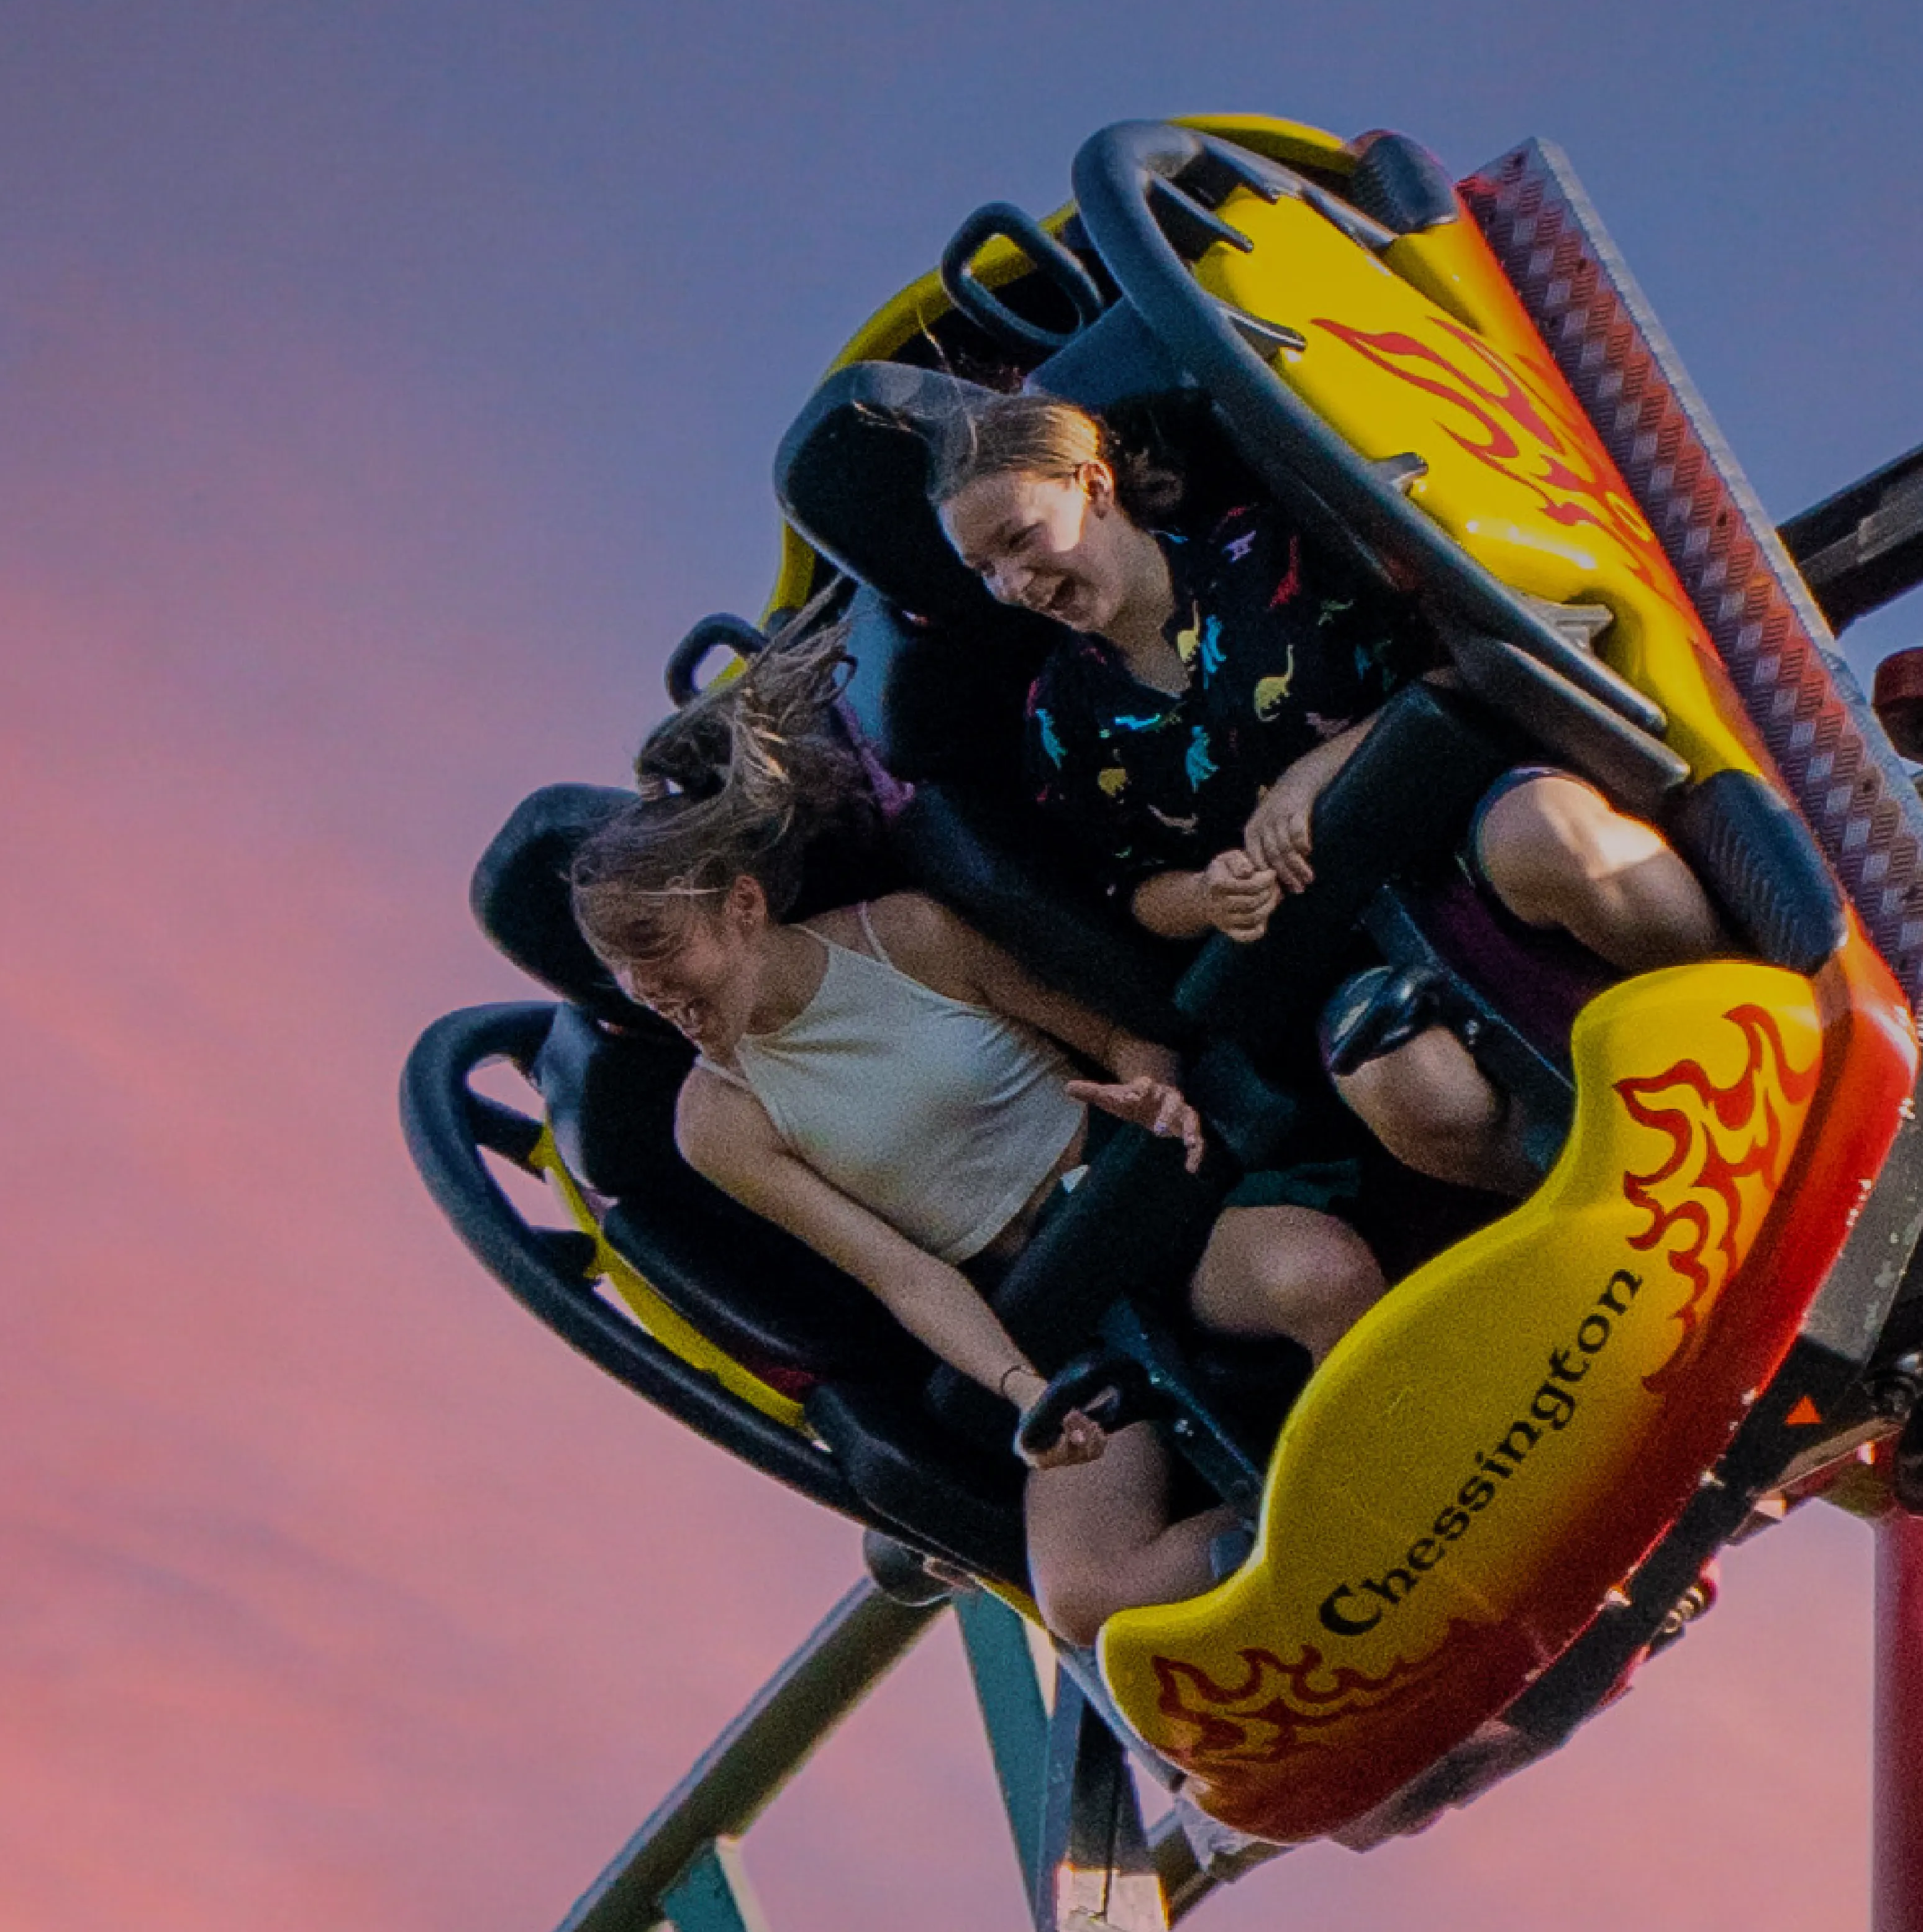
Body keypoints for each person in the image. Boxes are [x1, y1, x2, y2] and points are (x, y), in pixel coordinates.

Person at [565, 655, 1381, 1646]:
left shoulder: (905, 937)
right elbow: (901, 1274)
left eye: (666, 960)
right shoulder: (719, 1121)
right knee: (1085, 1598)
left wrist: (1148, 1087)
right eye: (630, 980)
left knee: (1320, 1276)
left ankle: (1386, 1497)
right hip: (1046, 1312)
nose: (657, 996)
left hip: (1144, 1211)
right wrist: (1024, 1393)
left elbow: (1125, 1031)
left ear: (742, 907)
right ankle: (1334, 1546)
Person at [930, 394, 1731, 1195]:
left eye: (1020, 539)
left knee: (1557, 841)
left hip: (1460, 824)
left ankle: (1743, 1020)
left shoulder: (1266, 549)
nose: (1014, 582)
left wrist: (1319, 773)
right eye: (984, 571)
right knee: (1401, 1082)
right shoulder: (1060, 718)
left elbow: (1466, 661)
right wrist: (1210, 896)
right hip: (1338, 937)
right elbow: (1132, 889)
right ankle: (1626, 1196)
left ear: (1096, 486)